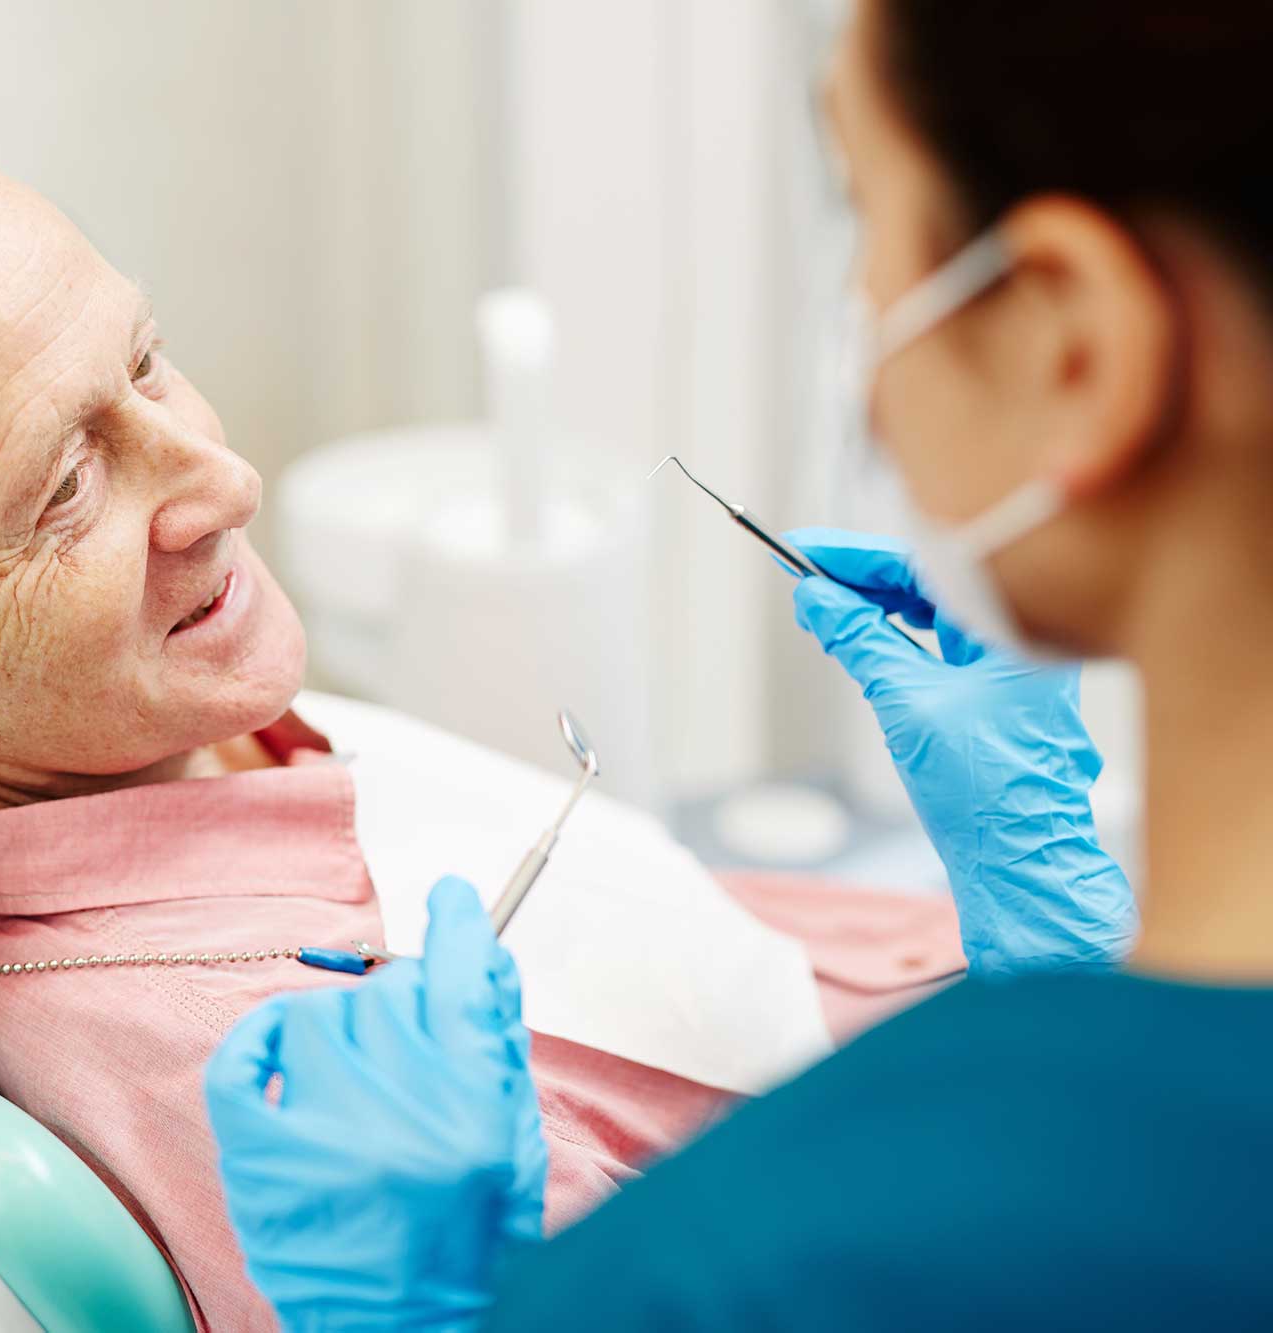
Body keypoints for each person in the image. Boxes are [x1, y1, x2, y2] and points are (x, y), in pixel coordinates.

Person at [0, 106, 963, 1330]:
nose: (219, 478)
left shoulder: (127, 730)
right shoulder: (257, 1092)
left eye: (146, 362)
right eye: (62, 489)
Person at [205, 1, 1273, 1327]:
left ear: (1076, 347)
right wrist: (1066, 946)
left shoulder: (775, 1259)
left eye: (860, 206)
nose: (869, 313)